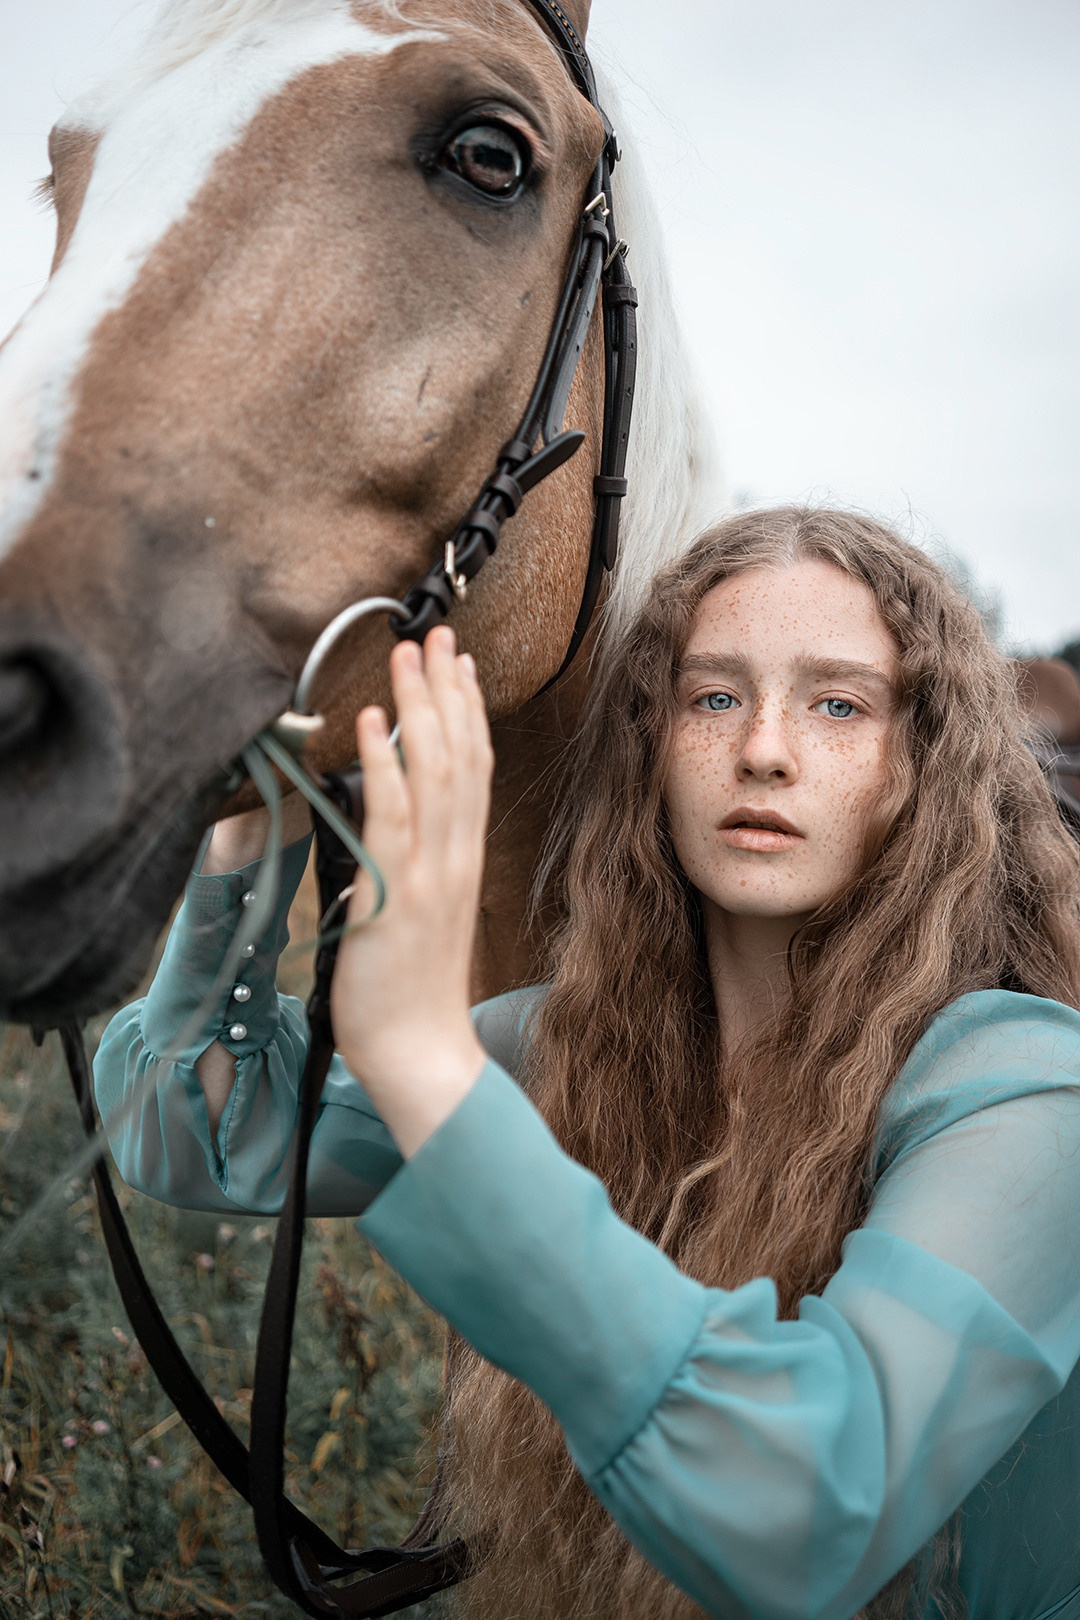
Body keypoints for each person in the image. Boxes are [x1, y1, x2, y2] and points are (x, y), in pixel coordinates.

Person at [94, 507, 1080, 1620]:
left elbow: (810, 1511)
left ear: (927, 763)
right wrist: (259, 818)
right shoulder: (569, 1046)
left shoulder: (1026, 1088)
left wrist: (424, 1061)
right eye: (713, 696)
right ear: (649, 744)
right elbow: (192, 1128)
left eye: (839, 705)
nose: (763, 746)